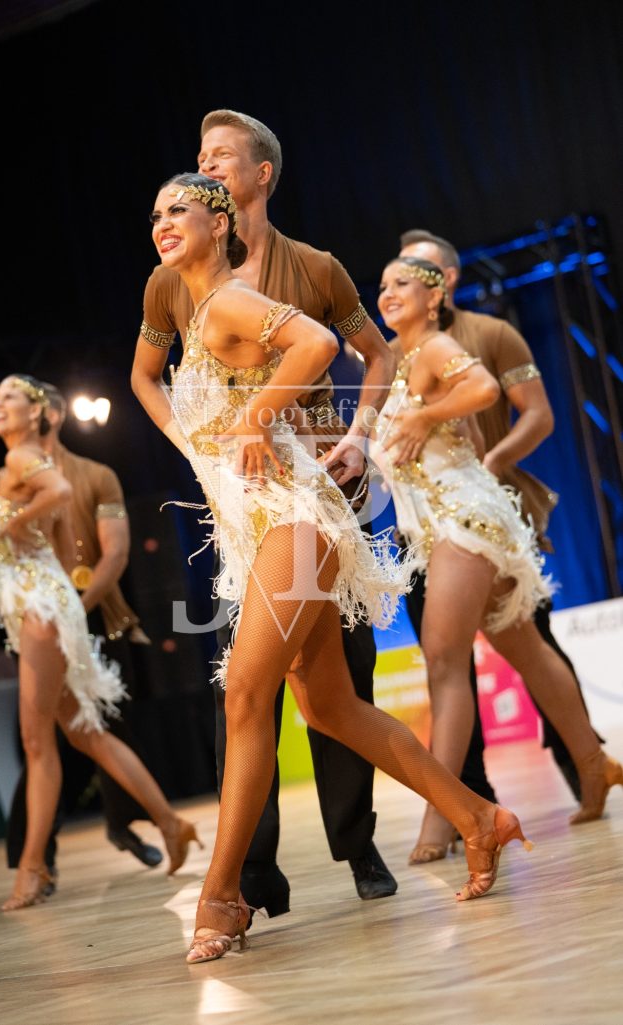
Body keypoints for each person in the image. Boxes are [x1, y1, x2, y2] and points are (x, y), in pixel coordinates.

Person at [135, 172, 537, 964]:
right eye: (154, 215)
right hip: (255, 523)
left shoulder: (228, 301)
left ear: (221, 222)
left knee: (245, 692)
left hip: (294, 514)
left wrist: (255, 417)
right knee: (328, 706)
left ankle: (221, 894)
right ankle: (478, 817)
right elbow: (142, 379)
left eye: (178, 209)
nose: (161, 223)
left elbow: (319, 345)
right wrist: (193, 445)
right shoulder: (190, 307)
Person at [132, 110, 399, 911]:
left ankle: (357, 844)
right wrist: (191, 446)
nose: (206, 162)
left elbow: (375, 353)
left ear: (260, 176)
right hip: (241, 502)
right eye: (200, 155)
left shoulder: (314, 267)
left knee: (338, 677)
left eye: (222, 155)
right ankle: (251, 870)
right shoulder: (172, 277)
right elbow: (144, 375)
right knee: (243, 681)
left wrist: (357, 435)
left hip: (312, 484)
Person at [372, 255, 622, 863]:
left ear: (435, 297)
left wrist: (427, 416)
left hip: (463, 522)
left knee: (445, 662)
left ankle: (444, 819)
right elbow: (474, 437)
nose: (387, 293)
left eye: (402, 283)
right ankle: (594, 763)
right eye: (381, 285)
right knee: (525, 649)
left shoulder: (435, 346)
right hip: (450, 519)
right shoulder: (397, 358)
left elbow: (484, 390)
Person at [0, 374, 202, 911]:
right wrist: (7, 577)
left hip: (51, 612)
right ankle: (170, 822)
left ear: (40, 412)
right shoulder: (3, 473)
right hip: (33, 608)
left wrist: (17, 532)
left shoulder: (42, 464)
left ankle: (32, 866)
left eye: (10, 397)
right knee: (85, 733)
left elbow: (70, 504)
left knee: (38, 743)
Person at [3, 381, 166, 881]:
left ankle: (123, 824)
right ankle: (34, 853)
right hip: (38, 617)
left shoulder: (96, 475)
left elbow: (115, 552)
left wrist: (76, 607)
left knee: (104, 723)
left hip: (92, 609)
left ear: (50, 415)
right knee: (45, 734)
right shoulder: (6, 475)